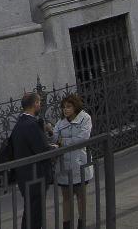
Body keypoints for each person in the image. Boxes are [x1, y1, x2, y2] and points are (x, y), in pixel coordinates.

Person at [9, 91, 53, 229]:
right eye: (39, 102)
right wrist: (56, 147)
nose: (40, 105)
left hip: (25, 176)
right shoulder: (31, 124)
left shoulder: (20, 123)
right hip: (35, 176)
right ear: (35, 104)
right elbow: (42, 150)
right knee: (35, 215)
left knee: (29, 212)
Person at [51, 93, 93, 229]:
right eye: (63, 107)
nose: (65, 109)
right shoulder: (60, 123)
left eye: (68, 107)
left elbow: (82, 138)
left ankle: (82, 223)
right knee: (66, 198)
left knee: (81, 197)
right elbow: (55, 138)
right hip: (64, 166)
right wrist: (52, 134)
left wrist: (63, 141)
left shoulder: (85, 118)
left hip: (80, 163)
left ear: (75, 107)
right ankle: (67, 225)